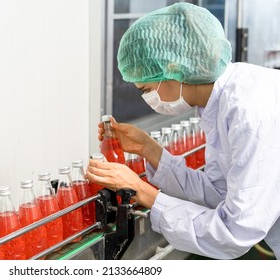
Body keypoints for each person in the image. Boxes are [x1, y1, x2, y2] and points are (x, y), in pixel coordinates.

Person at [85, 2, 280, 259]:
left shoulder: (248, 111)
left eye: (146, 89)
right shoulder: (222, 99)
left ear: (174, 70)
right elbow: (219, 193)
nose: (148, 99)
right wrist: (150, 150)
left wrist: (143, 192)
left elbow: (234, 233)